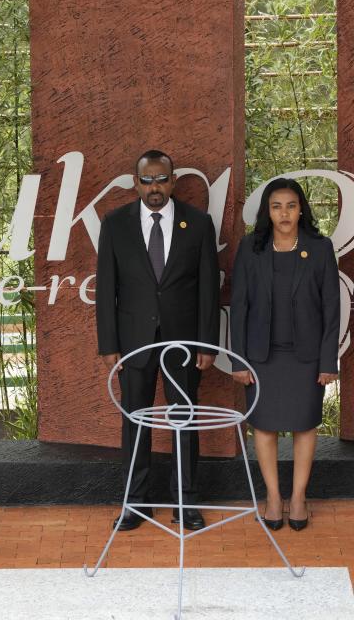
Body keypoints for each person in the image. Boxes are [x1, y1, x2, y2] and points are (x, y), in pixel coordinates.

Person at [95, 149, 220, 532]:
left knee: (184, 419)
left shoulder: (198, 224)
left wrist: (207, 344)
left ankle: (186, 504)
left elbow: (208, 292)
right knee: (136, 420)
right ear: (136, 182)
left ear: (173, 181)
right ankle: (136, 503)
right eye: (146, 180)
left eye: (161, 179)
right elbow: (106, 290)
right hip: (134, 342)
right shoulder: (115, 225)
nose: (154, 187)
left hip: (184, 342)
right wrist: (108, 344)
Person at [230, 177, 339, 531]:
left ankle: (298, 497)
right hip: (262, 357)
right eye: (276, 206)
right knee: (264, 426)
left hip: (306, 358)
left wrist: (327, 362)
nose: (284, 213)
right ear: (267, 211)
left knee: (304, 426)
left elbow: (331, 309)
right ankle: (274, 496)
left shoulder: (320, 249)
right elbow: (239, 306)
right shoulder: (251, 248)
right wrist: (238, 360)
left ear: (301, 209)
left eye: (291, 205)